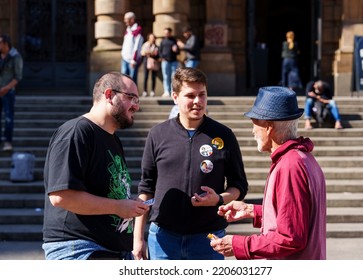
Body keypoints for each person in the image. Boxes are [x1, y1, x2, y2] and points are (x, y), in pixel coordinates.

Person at [133, 67, 248, 260]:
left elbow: (239, 185)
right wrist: (138, 239)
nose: (197, 101)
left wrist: (219, 199)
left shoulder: (224, 135)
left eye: (202, 94)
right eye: (190, 95)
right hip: (162, 239)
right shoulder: (157, 134)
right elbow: (146, 188)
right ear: (175, 97)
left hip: (209, 238)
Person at [42, 72, 150, 260]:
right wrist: (118, 207)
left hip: (112, 249)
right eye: (131, 97)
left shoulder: (113, 139)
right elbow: (61, 197)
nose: (136, 106)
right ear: (109, 95)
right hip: (80, 249)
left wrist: (128, 204)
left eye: (137, 100)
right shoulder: (76, 132)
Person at [210, 86, 327, 260]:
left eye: (255, 123)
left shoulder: (290, 165)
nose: (252, 131)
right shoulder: (302, 157)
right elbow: (294, 215)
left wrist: (238, 244)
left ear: (269, 127)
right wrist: (252, 210)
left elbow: (290, 238)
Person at [0, 34, 23, 152]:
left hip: (8, 92)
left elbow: (18, 76)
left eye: (0, 43)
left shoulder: (15, 57)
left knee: (9, 118)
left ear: (5, 44)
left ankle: (8, 141)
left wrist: (6, 88)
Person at [121, 12, 144, 85]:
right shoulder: (128, 30)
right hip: (125, 58)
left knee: (132, 80)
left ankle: (132, 95)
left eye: (126, 19)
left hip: (132, 60)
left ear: (132, 19)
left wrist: (134, 60)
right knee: (124, 79)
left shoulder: (138, 30)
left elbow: (137, 46)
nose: (125, 21)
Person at [159, 27, 180, 97]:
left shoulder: (174, 40)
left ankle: (172, 91)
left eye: (167, 33)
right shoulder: (162, 41)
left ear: (170, 33)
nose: (166, 34)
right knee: (166, 77)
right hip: (165, 62)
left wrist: (176, 50)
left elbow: (178, 52)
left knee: (173, 77)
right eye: (165, 33)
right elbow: (160, 51)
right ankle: (166, 91)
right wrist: (162, 58)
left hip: (174, 61)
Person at [141, 33, 159, 97]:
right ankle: (145, 91)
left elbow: (157, 54)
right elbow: (142, 53)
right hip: (146, 61)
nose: (153, 39)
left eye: (154, 38)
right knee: (146, 76)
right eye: (151, 38)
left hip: (154, 62)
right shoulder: (145, 45)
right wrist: (150, 52)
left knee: (153, 77)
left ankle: (152, 91)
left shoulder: (156, 46)